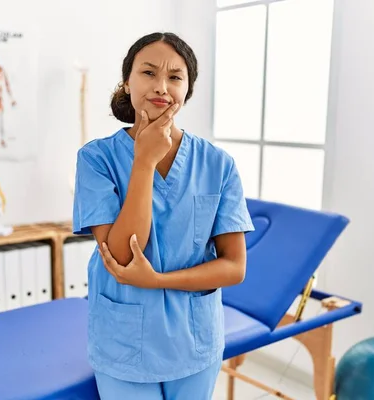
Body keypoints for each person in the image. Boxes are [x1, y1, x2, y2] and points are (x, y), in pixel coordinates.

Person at [72, 32, 255, 399]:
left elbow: (234, 267)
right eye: (148, 73)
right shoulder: (97, 159)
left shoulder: (217, 164)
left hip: (195, 343)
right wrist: (144, 162)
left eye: (175, 77)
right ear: (127, 81)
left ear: (188, 89)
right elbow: (122, 255)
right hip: (124, 346)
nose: (161, 86)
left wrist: (156, 280)